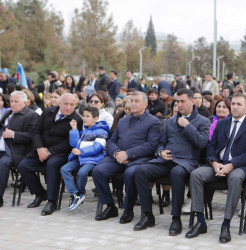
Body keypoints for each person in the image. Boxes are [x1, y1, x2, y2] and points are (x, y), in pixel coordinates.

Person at [186, 94, 246, 243]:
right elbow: (212, 146)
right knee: (196, 174)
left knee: (235, 178)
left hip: (240, 166)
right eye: (233, 104)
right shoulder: (222, 124)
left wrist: (231, 165)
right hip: (218, 164)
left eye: (239, 104)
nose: (234, 107)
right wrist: (214, 163)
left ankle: (225, 225)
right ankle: (200, 221)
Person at [133, 89, 210, 236]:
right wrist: (161, 152)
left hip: (186, 164)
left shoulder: (203, 121)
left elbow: (202, 143)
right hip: (166, 161)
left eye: (182, 101)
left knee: (176, 173)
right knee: (140, 170)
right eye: (177, 102)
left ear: (192, 101)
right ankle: (147, 215)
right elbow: (161, 143)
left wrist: (187, 126)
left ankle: (176, 218)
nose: (179, 105)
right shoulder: (170, 121)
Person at [92, 91, 161, 221]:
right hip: (117, 158)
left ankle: (128, 209)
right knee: (98, 171)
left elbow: (151, 146)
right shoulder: (123, 121)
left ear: (145, 104)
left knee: (130, 174)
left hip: (138, 159)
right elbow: (111, 141)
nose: (133, 104)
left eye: (137, 101)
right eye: (132, 101)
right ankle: (110, 206)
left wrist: (128, 154)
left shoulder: (153, 122)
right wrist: (117, 153)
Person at [18, 93, 83, 216]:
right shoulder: (48, 111)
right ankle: (40, 193)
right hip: (41, 149)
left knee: (52, 165)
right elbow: (35, 130)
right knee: (23, 166)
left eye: (72, 105)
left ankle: (51, 201)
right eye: (66, 104)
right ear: (60, 103)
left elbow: (69, 143)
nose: (68, 107)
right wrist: (39, 148)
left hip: (60, 153)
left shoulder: (77, 119)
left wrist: (49, 152)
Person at [60, 106, 110, 211]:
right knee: (64, 169)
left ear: (95, 118)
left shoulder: (102, 132)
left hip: (93, 159)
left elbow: (97, 148)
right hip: (80, 158)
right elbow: (74, 144)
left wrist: (81, 152)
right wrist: (74, 130)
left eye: (88, 116)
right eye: (84, 116)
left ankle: (81, 192)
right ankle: (76, 194)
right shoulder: (83, 132)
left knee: (82, 172)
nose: (84, 118)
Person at [0, 91, 39, 207]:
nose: (13, 104)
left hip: (16, 151)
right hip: (3, 148)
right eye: (11, 101)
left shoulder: (32, 115)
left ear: (24, 102)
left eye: (16, 101)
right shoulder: (8, 114)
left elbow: (32, 136)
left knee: (2, 163)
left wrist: (13, 135)